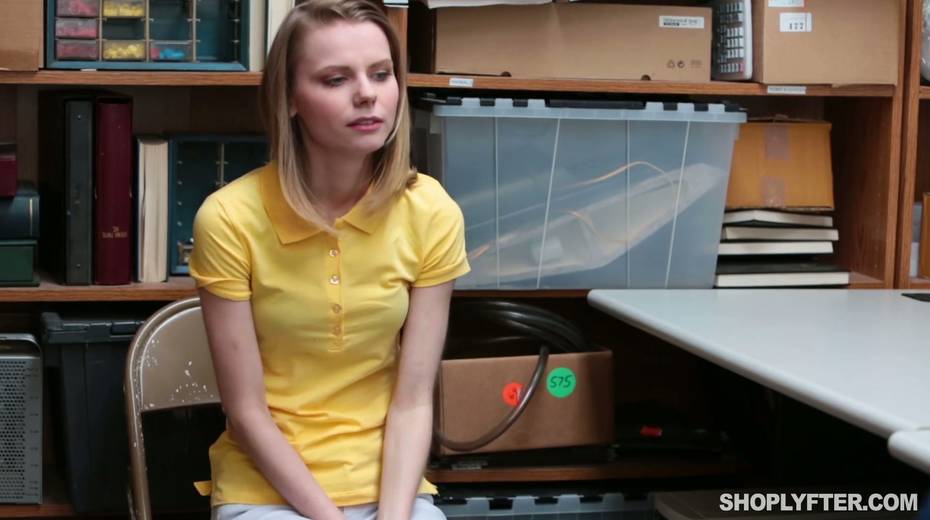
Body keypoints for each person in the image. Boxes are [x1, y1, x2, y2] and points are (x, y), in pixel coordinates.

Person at [188, 0, 470, 518]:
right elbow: (246, 412)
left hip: (391, 487)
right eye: (336, 79)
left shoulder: (431, 211)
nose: (367, 94)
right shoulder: (228, 218)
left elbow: (413, 401)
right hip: (267, 491)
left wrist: (393, 515)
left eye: (381, 74)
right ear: (290, 99)